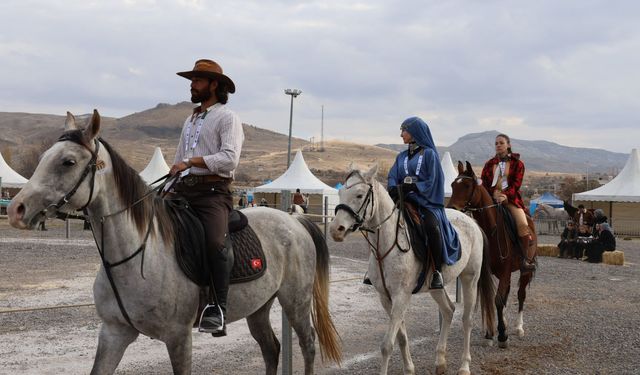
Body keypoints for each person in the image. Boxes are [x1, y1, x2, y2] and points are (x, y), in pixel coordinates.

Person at [169, 59, 244, 336]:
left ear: (214, 85)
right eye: (192, 80)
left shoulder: (228, 118)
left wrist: (191, 162)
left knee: (214, 242)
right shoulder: (190, 119)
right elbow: (178, 159)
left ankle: (218, 308)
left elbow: (229, 158)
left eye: (198, 80)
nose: (192, 84)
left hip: (213, 193)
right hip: (183, 190)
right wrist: (168, 184)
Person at [387, 116, 461, 289]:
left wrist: (414, 186)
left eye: (403, 130)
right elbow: (392, 175)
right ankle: (376, 269)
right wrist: (392, 187)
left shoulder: (430, 155)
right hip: (403, 200)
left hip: (426, 203)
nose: (401, 134)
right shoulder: (401, 156)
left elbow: (433, 180)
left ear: (414, 132)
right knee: (381, 223)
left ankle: (436, 271)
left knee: (431, 227)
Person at [480, 133, 536, 271]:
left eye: (501, 143)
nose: (498, 145)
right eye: (496, 143)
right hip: (491, 200)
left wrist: (505, 196)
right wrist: (489, 195)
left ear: (508, 145)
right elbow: (484, 183)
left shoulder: (518, 164)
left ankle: (524, 260)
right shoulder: (489, 164)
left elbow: (516, 184)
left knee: (523, 224)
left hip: (510, 200)